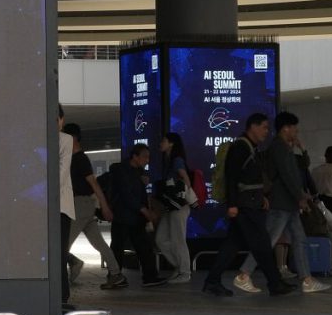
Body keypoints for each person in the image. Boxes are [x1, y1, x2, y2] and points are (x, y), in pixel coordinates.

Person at [232, 112, 329, 294]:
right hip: (281, 204)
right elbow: (287, 175)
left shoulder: (282, 146)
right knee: (268, 241)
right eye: (294, 128)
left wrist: (298, 197)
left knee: (299, 240)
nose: (296, 131)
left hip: (287, 204)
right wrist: (300, 197)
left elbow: (293, 173)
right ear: (286, 128)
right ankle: (244, 274)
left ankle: (306, 279)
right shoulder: (279, 147)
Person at [202, 113, 294, 297]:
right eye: (264, 127)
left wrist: (261, 197)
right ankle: (275, 284)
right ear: (252, 126)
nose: (266, 132)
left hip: (250, 203)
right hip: (245, 206)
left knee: (233, 244)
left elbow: (251, 179)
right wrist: (232, 205)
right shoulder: (240, 147)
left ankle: (212, 281)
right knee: (262, 243)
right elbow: (232, 177)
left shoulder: (251, 147)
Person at [63, 123, 127, 290]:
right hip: (83, 205)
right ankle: (116, 274)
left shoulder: (80, 159)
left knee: (62, 244)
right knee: (99, 243)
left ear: (73, 138)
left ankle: (68, 269)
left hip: (80, 205)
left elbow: (94, 183)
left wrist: (105, 206)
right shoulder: (71, 158)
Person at [109, 143, 167, 288]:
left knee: (143, 246)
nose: (147, 160)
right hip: (123, 215)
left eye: (148, 157)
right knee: (119, 247)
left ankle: (148, 276)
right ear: (134, 156)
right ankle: (115, 276)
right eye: (144, 157)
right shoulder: (123, 171)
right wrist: (145, 211)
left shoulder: (137, 172)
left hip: (135, 217)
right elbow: (128, 196)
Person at [154, 133, 193, 284]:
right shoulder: (168, 161)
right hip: (170, 206)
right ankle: (179, 266)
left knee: (178, 239)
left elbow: (186, 179)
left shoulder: (176, 161)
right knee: (161, 239)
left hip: (178, 206)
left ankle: (185, 272)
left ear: (171, 144)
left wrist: (181, 196)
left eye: (163, 141)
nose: (160, 143)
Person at [56, 105, 75, 308]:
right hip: (37, 207)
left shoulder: (65, 140)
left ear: (62, 120)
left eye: (56, 119)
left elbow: (61, 175)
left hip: (60, 206)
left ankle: (62, 297)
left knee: (59, 253)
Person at [311, 146, 332, 219]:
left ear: (325, 156)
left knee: (319, 224)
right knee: (331, 225)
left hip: (317, 200)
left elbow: (310, 186)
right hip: (331, 202)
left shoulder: (315, 170)